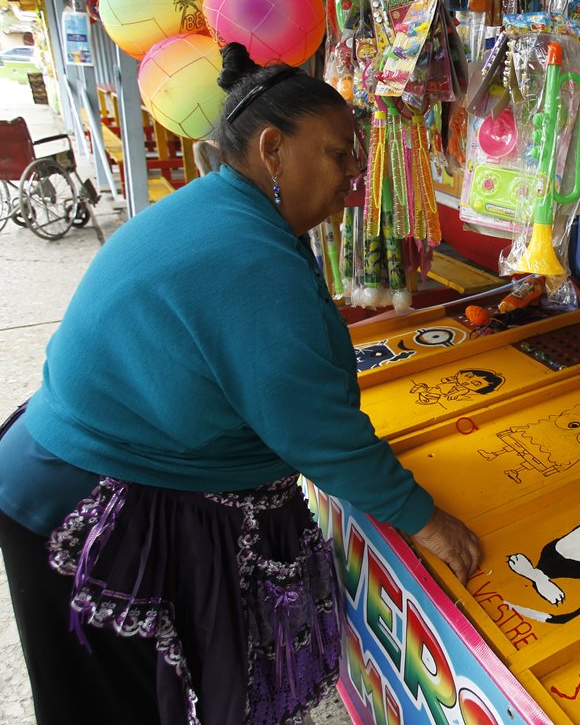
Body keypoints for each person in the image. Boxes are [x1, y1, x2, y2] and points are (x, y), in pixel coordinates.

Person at [0, 43, 481, 725]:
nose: (353, 173)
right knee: (114, 708)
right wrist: (427, 522)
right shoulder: (249, 254)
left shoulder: (230, 210)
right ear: (272, 148)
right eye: (339, 153)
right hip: (77, 504)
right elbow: (320, 435)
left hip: (59, 469)